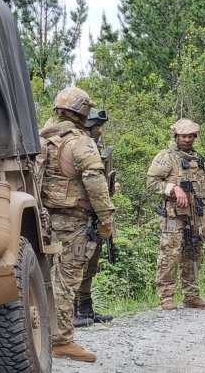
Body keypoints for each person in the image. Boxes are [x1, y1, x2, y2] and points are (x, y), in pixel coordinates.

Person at [37, 87, 115, 363]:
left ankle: (44, 335)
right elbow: (95, 180)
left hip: (45, 218)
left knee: (47, 278)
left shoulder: (45, 135)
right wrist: (106, 218)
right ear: (82, 112)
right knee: (67, 279)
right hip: (74, 221)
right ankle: (62, 341)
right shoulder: (80, 141)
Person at [146, 118, 205, 311]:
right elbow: (151, 184)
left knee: (194, 253)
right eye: (184, 136)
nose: (187, 139)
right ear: (176, 136)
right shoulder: (166, 157)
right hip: (173, 215)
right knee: (170, 254)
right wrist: (173, 189)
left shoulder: (198, 159)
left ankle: (191, 295)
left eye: (191, 136)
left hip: (197, 215)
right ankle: (166, 296)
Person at [73, 108, 116, 327]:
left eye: (99, 128)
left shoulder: (95, 148)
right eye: (94, 127)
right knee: (75, 263)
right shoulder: (74, 146)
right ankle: (72, 312)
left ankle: (86, 309)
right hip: (77, 215)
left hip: (95, 215)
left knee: (91, 263)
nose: (98, 131)